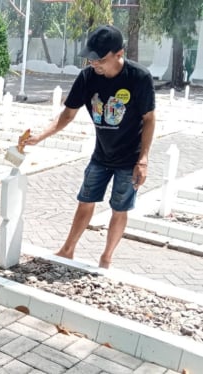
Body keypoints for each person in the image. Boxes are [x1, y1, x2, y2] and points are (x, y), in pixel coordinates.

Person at [23, 25, 156, 268]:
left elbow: (149, 119)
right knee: (85, 200)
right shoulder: (87, 77)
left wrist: (144, 159)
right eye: (91, 58)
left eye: (100, 59)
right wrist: (39, 136)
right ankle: (67, 250)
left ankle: (106, 258)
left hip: (130, 160)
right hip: (101, 156)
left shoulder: (139, 77)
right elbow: (67, 115)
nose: (94, 63)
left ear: (119, 54)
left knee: (119, 208)